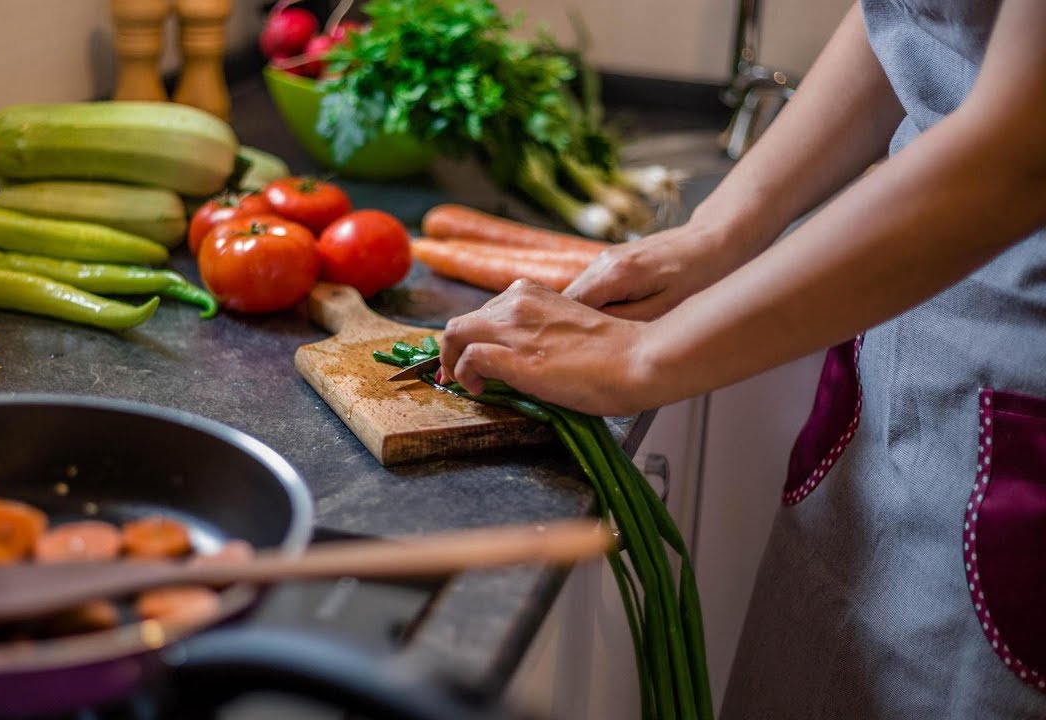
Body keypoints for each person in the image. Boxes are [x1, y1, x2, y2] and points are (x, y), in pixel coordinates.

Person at [437, 0, 1045, 717]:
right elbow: (917, 19)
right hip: (907, 357)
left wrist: (646, 354)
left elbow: (1019, 152)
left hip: (1019, 395)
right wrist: (717, 229)